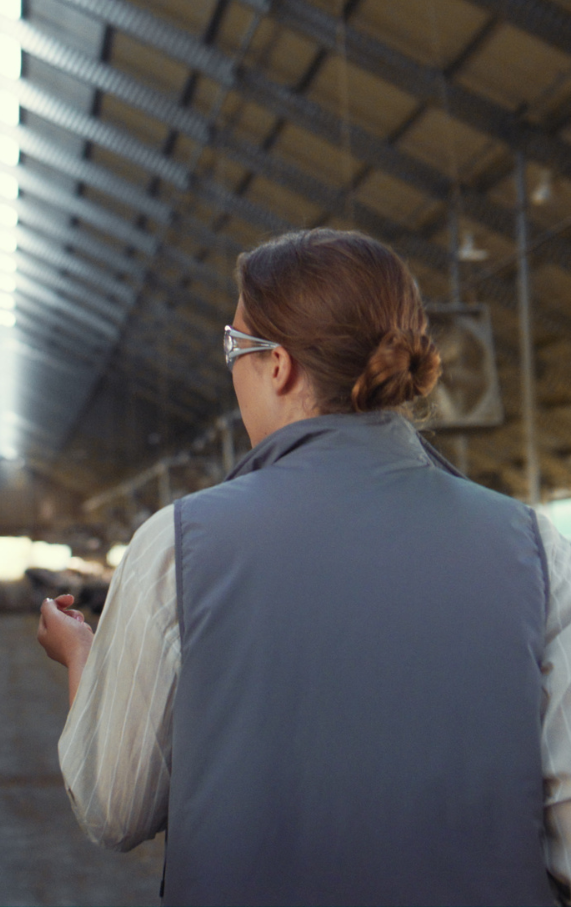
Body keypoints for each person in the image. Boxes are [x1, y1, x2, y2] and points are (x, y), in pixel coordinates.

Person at [38, 228, 571, 906]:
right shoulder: (536, 548)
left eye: (234, 346)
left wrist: (84, 656)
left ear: (278, 365)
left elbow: (115, 809)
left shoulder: (176, 545)